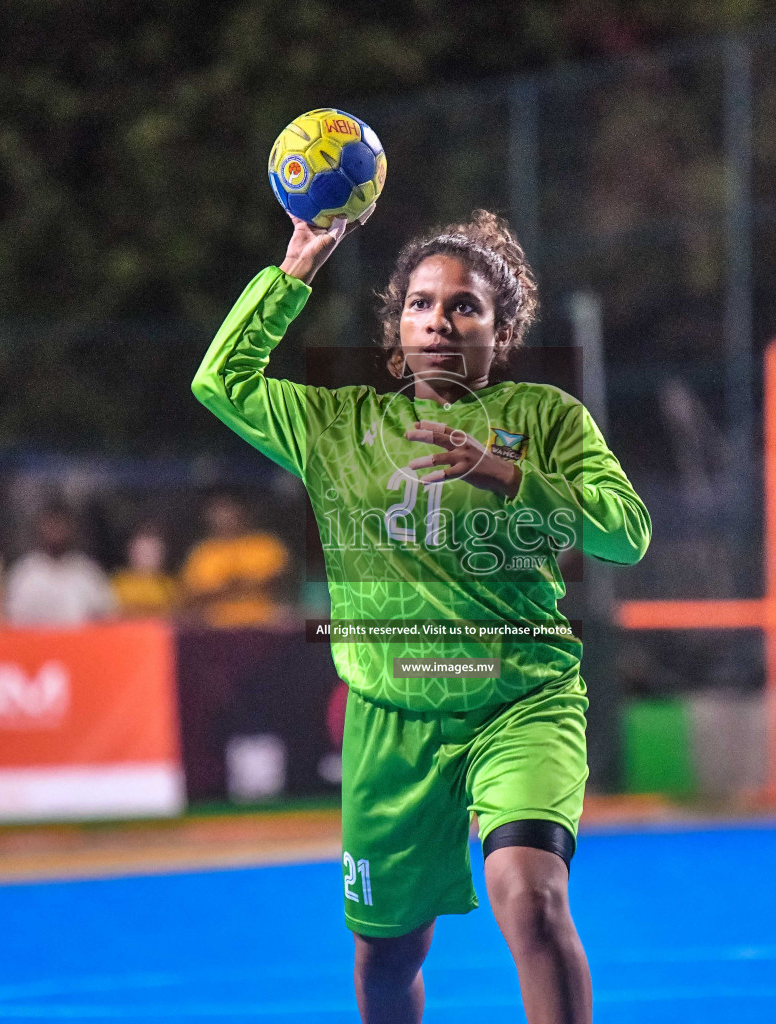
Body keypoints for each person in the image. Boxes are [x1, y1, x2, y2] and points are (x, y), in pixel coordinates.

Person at [193, 209, 650, 1024]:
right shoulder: (336, 428)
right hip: (390, 722)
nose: (440, 320)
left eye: (465, 305)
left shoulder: (547, 420)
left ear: (501, 331)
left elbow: (627, 534)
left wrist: (506, 473)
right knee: (388, 957)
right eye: (421, 304)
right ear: (396, 331)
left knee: (532, 900)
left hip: (523, 703)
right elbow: (221, 382)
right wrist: (294, 269)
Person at [179, 493, 290, 628]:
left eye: (228, 509)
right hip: (216, 629)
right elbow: (193, 594)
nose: (224, 516)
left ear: (241, 512)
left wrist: (233, 585)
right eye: (218, 511)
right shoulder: (202, 552)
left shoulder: (265, 544)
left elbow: (277, 580)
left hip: (263, 625)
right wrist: (235, 586)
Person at [4, 504, 117, 625]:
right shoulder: (25, 572)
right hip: (33, 641)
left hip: (80, 642)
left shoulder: (87, 572)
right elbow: (9, 619)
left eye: (60, 525)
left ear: (70, 529)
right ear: (39, 529)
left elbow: (108, 616)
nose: (55, 532)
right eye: (50, 526)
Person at [110, 522, 180, 617]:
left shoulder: (170, 587)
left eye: (153, 552)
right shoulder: (118, 584)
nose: (147, 557)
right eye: (143, 552)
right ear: (132, 552)